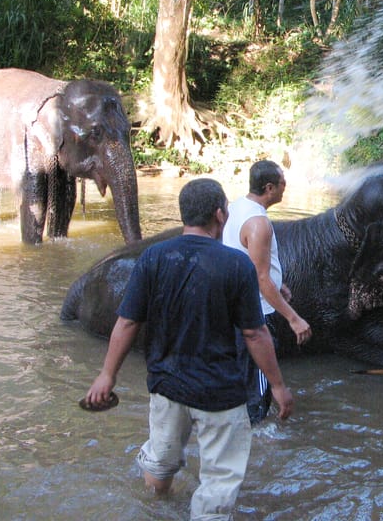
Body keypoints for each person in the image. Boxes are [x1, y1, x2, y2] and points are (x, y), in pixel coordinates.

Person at [84, 178, 293, 520]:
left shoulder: (153, 257)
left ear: (184, 215)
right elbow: (255, 334)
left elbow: (127, 322)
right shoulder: (236, 265)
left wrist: (107, 375)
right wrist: (280, 387)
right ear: (220, 215)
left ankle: (154, 508)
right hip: (221, 394)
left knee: (162, 462)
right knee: (219, 481)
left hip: (167, 387)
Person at [222, 160, 312, 424]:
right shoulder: (259, 223)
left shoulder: (235, 207)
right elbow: (261, 278)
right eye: (283, 182)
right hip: (254, 314)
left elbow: (245, 258)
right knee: (259, 391)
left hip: (233, 309)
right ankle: (259, 441)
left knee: (241, 378)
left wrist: (277, 281)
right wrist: (293, 318)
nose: (286, 186)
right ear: (270, 188)